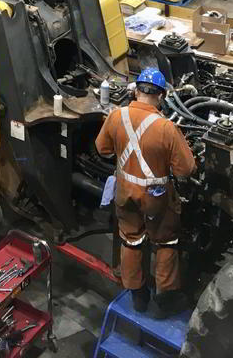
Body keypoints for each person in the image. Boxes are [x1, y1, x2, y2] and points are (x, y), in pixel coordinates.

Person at [95, 67, 196, 317]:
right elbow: (186, 169)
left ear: (137, 90)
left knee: (130, 239)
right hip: (156, 197)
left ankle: (138, 296)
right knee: (165, 243)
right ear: (160, 96)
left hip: (125, 191)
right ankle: (166, 298)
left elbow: (102, 149)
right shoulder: (166, 128)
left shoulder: (116, 116)